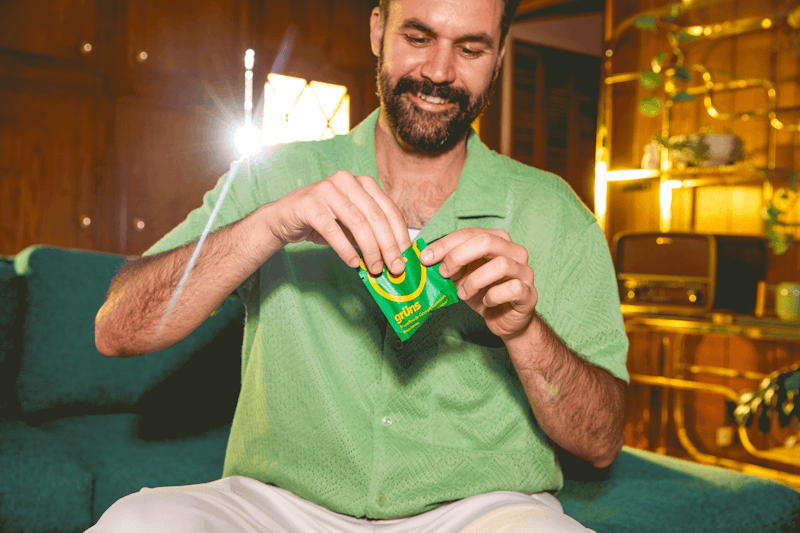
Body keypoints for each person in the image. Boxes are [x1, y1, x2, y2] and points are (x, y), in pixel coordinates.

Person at [90, 0, 629, 530]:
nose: (439, 72)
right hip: (278, 506)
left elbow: (602, 443)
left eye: (470, 48)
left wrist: (525, 332)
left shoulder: (557, 214)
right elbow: (116, 329)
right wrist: (271, 225)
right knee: (136, 521)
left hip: (481, 510)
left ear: (501, 53)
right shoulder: (272, 177)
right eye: (417, 38)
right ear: (378, 29)